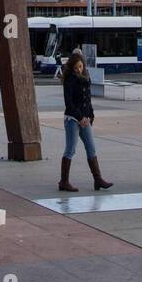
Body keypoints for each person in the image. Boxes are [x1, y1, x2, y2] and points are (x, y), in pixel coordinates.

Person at [58, 49, 112, 193]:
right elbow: (68, 102)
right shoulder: (69, 80)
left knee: (91, 148)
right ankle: (64, 182)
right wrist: (80, 117)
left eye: (80, 67)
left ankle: (98, 179)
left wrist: (90, 116)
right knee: (70, 149)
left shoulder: (86, 78)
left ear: (83, 66)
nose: (78, 70)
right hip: (72, 119)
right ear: (71, 68)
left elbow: (87, 100)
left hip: (85, 120)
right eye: (76, 68)